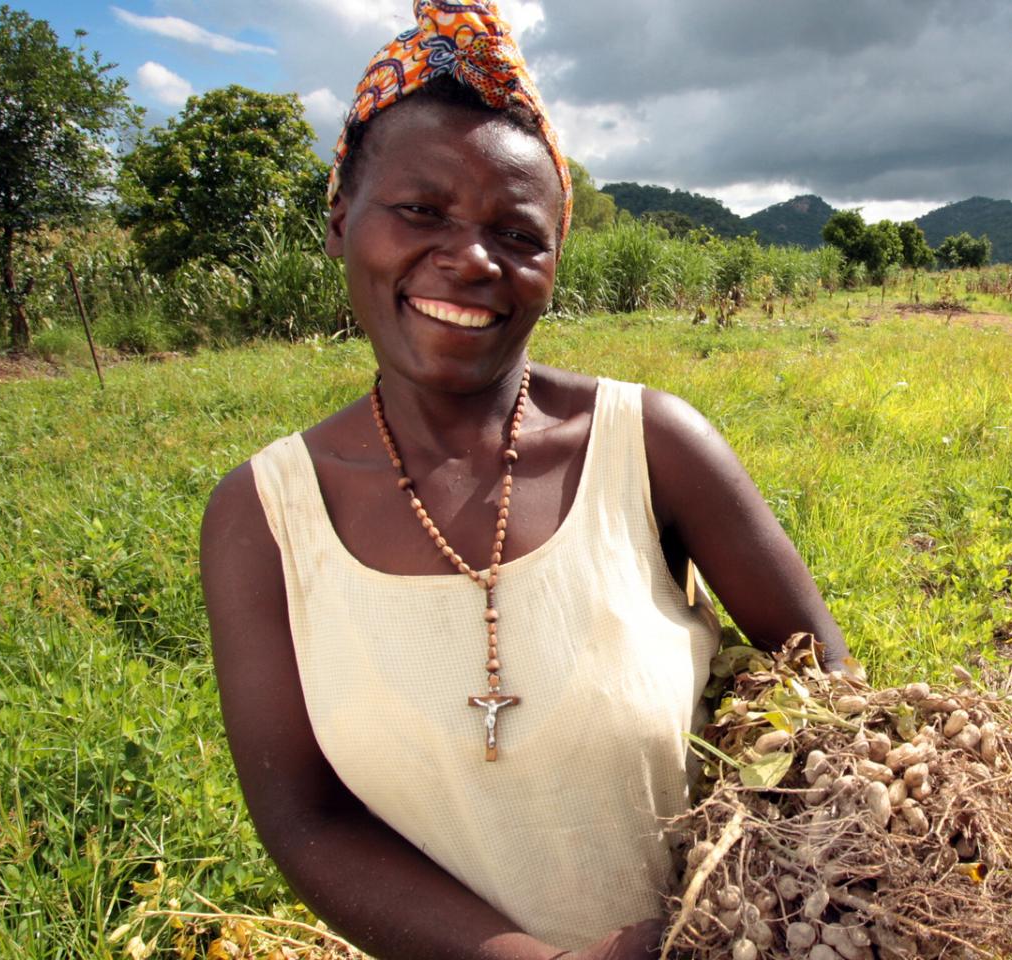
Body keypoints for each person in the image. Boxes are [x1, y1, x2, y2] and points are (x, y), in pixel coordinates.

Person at [197, 3, 848, 958]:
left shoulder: (652, 446)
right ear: (340, 223)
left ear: (554, 262)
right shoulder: (263, 518)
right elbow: (305, 819)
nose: (469, 260)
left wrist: (720, 907)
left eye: (519, 233)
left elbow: (828, 690)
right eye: (420, 211)